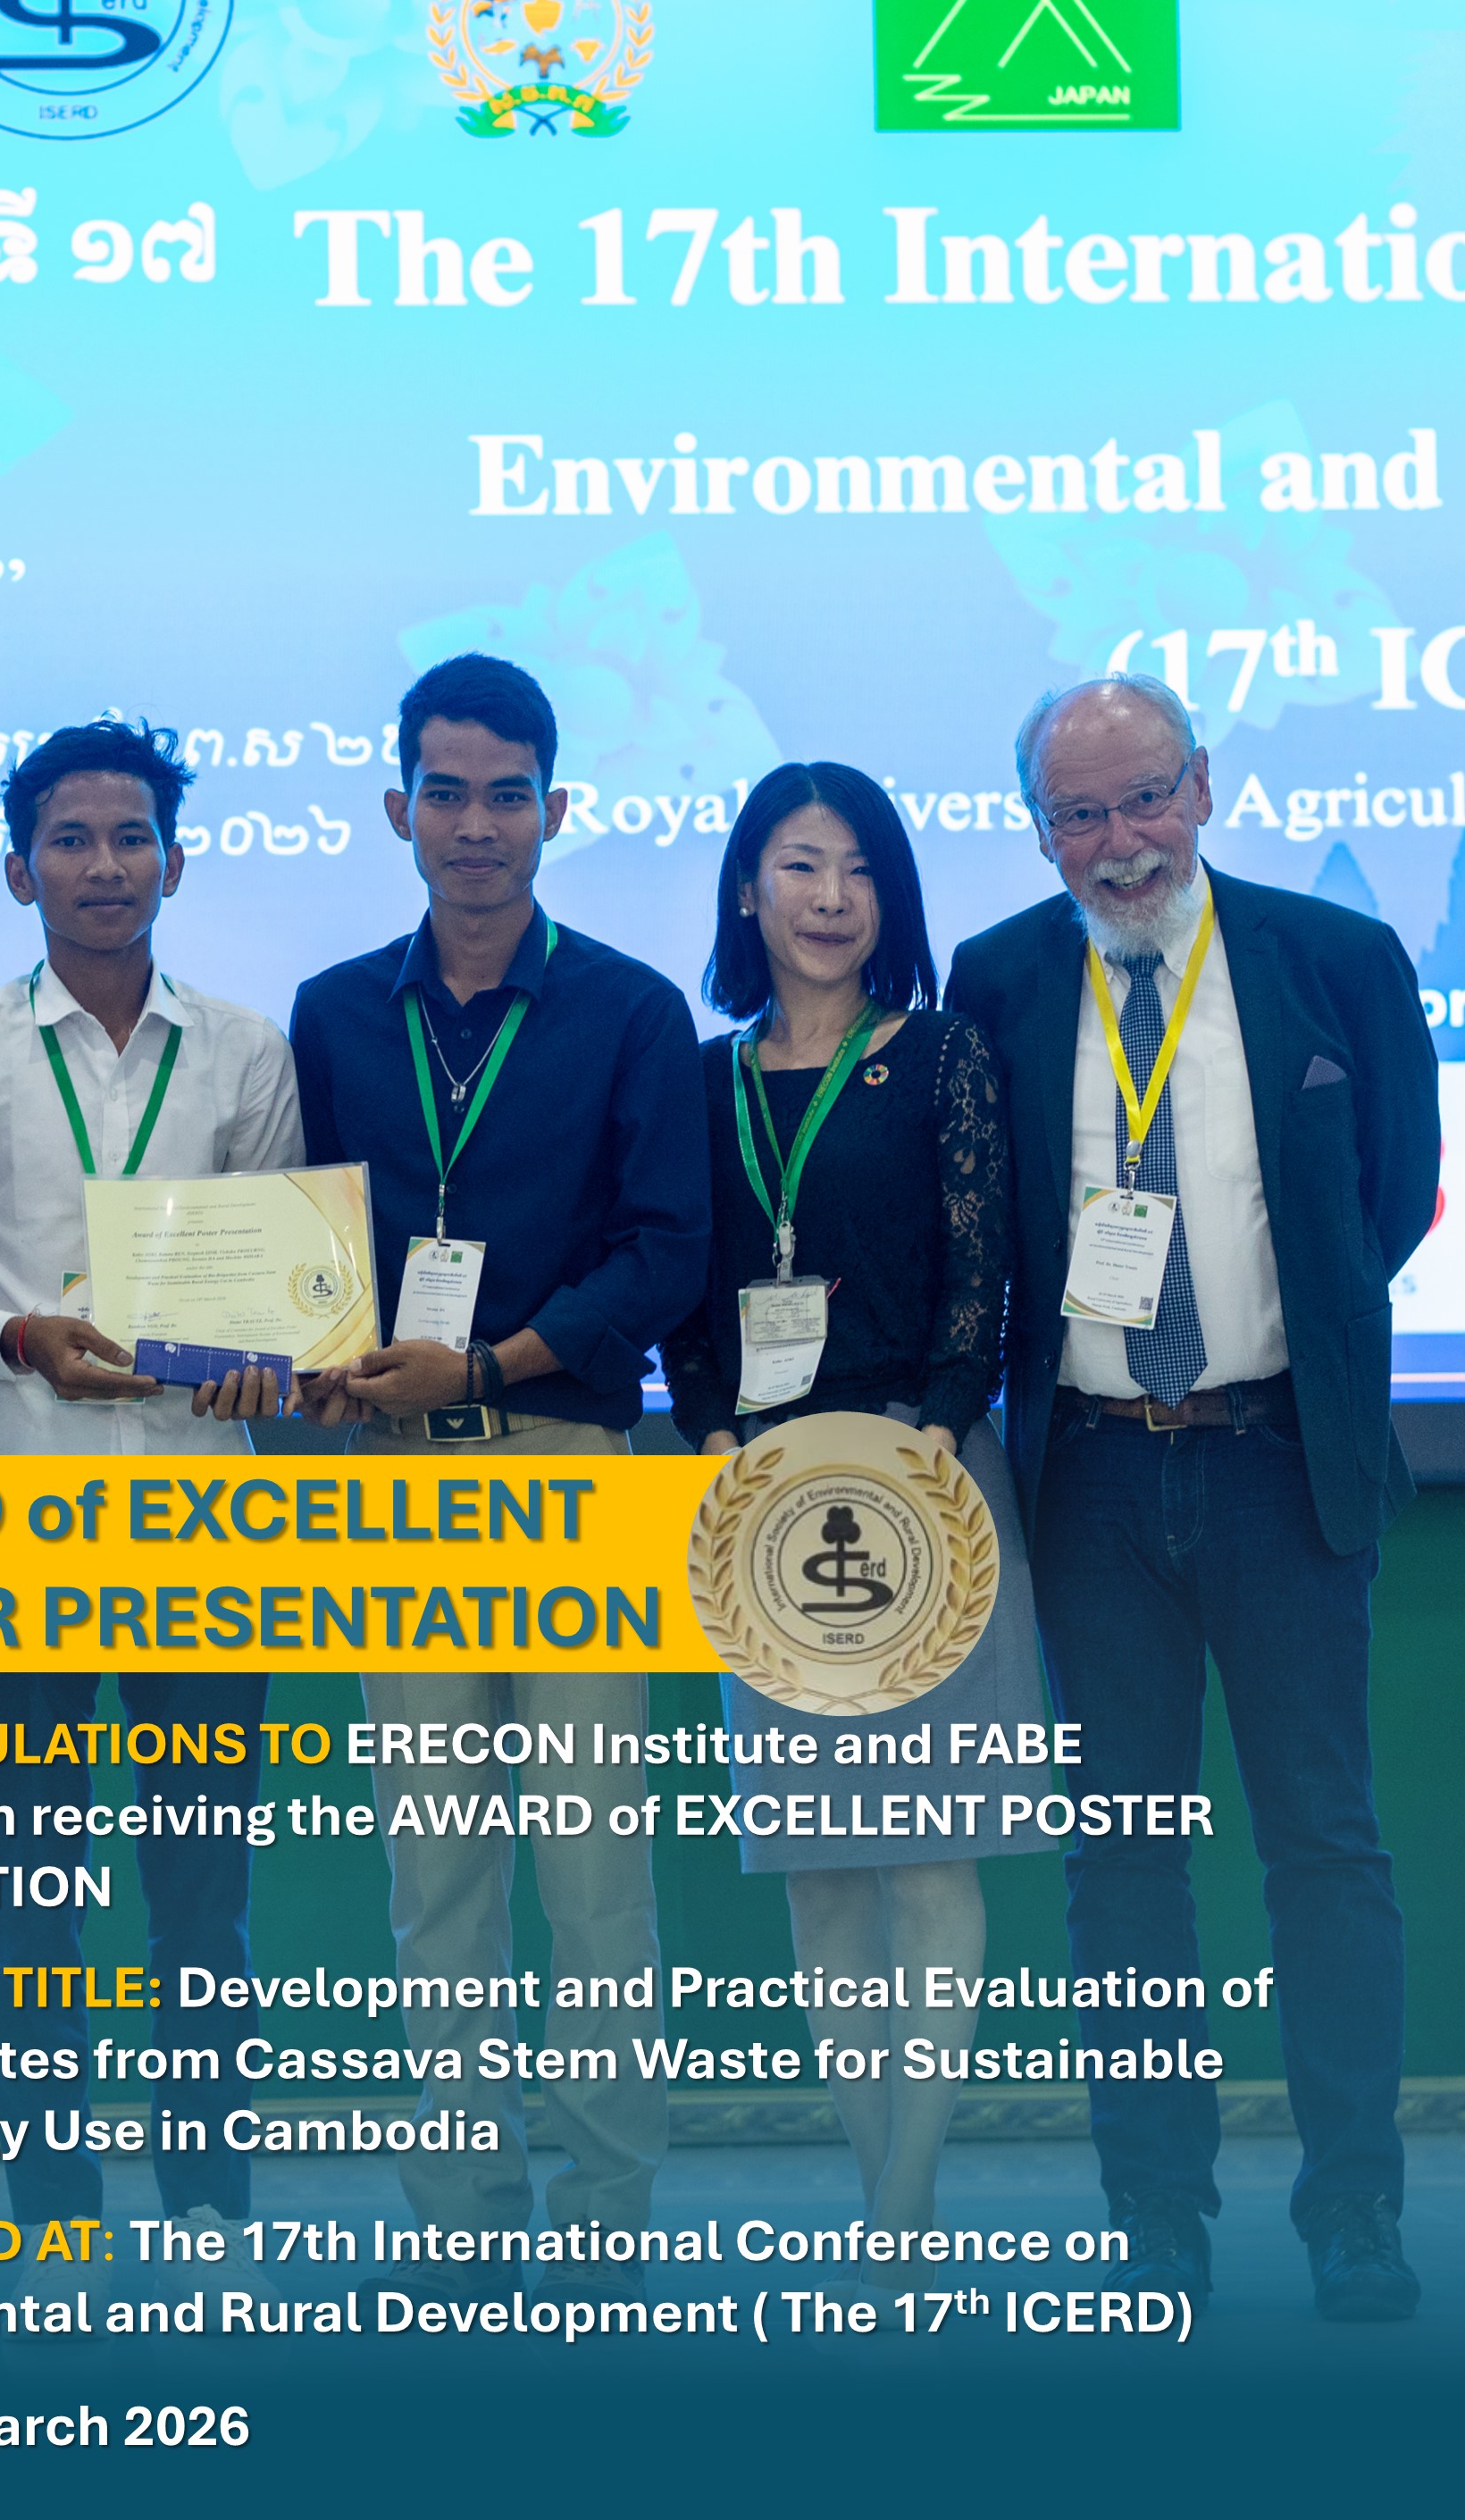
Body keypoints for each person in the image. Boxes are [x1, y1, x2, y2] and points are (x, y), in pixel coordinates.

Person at [947, 673, 1438, 2323]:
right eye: (1078, 813)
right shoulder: (1000, 978)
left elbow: (1385, 1204)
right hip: (1089, 1483)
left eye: (1144, 796)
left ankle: (1352, 2215)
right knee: (1122, 1870)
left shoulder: (1335, 957)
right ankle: (1154, 2215)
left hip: (1278, 1467)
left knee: (1324, 1851)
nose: (1120, 840)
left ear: (1205, 784)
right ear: (1039, 831)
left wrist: (1262, 1350)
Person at [289, 652, 710, 2305]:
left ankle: (607, 2206)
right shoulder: (334, 1011)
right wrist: (316, 1355)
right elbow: (307, 1246)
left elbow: (664, 1252)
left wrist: (488, 1367)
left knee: (595, 1868)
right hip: (390, 1482)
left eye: (508, 795)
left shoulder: (629, 1009)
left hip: (569, 1468)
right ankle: (462, 2206)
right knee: (438, 1866)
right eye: (446, 794)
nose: (477, 826)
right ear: (398, 807)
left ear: (554, 807)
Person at [0, 718, 297, 2323]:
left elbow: (282, 1288)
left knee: (204, 1888)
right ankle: (52, 2215)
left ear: (175, 864)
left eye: (131, 838)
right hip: (26, 1520)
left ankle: (207, 2205)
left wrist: (264, 1360)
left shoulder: (245, 1051)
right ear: (19, 869)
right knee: (35, 1885)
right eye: (71, 838)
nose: (103, 865)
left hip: (206, 1524)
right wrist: (14, 1335)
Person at [661, 761, 1047, 2298]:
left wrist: (937, 1426)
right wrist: (710, 1431)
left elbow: (982, 1270)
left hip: (925, 1477)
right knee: (820, 1866)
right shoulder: (698, 1080)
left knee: (934, 1853)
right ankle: (875, 2179)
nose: (831, 899)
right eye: (801, 865)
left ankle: (906, 2196)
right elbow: (684, 1284)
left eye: (861, 870)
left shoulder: (940, 1056)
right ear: (745, 887)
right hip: (762, 1500)